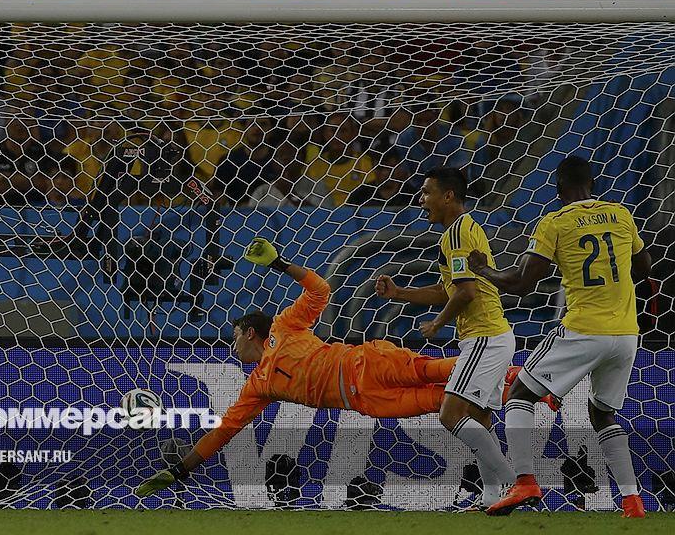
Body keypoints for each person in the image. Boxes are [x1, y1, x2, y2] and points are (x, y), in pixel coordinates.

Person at [136, 238, 459, 497]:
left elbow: (320, 290)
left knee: (443, 371)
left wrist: (279, 264)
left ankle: (488, 363)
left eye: (234, 337)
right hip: (365, 401)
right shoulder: (258, 385)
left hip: (366, 364)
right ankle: (493, 403)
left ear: (250, 333)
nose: (233, 347)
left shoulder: (284, 326)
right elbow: (224, 431)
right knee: (442, 402)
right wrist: (180, 470)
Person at [467, 156, 652, 518]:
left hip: (583, 328)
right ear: (593, 184)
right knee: (603, 413)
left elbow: (522, 284)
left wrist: (483, 269)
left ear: (557, 189)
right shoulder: (620, 214)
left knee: (519, 394)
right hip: (626, 334)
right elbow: (644, 267)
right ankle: (632, 500)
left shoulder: (555, 222)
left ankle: (524, 482)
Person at [374, 167, 516, 509]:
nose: (421, 200)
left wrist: (437, 324)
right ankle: (492, 496)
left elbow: (466, 293)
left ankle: (517, 483)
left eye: (427, 192)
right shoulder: (461, 231)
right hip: (492, 336)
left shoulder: (457, 234)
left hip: (484, 337)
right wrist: (399, 293)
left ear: (448, 196)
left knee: (450, 414)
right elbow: (446, 290)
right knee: (480, 417)